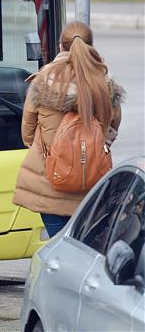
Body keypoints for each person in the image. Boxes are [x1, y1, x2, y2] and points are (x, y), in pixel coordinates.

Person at [13, 21, 124, 237]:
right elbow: (113, 127)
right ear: (91, 46)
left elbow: (27, 133)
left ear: (60, 47)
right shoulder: (104, 84)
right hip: (91, 184)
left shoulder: (43, 81)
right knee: (82, 247)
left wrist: (48, 148)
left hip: (49, 185)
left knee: (58, 245)